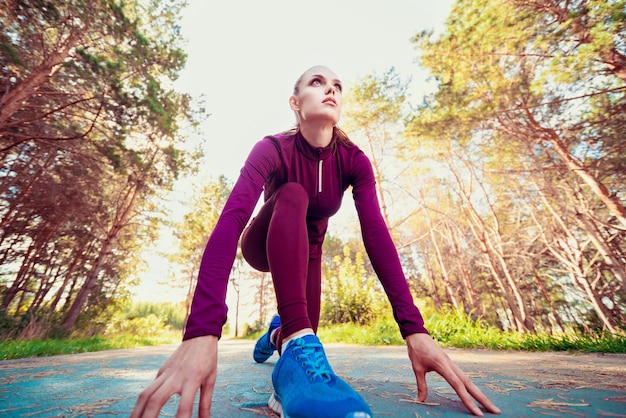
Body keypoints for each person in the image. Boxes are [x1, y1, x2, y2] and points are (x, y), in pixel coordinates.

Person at [130, 65, 501, 418]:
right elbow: (231, 220)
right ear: (295, 102)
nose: (331, 90)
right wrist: (202, 330)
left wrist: (415, 330)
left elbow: (376, 235)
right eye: (318, 82)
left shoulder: (354, 160)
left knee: (304, 339)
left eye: (337, 86)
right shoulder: (272, 148)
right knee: (293, 194)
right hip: (263, 243)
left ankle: (276, 334)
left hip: (309, 253)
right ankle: (285, 358)